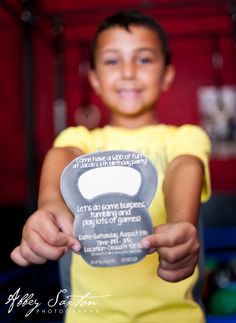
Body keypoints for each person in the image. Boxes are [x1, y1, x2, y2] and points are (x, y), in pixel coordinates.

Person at [11, 9, 211, 323]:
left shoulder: (184, 137)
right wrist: (50, 204)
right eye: (112, 60)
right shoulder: (82, 138)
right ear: (94, 78)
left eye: (143, 59)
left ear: (167, 74)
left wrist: (180, 225)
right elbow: (62, 156)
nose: (128, 72)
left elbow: (184, 167)